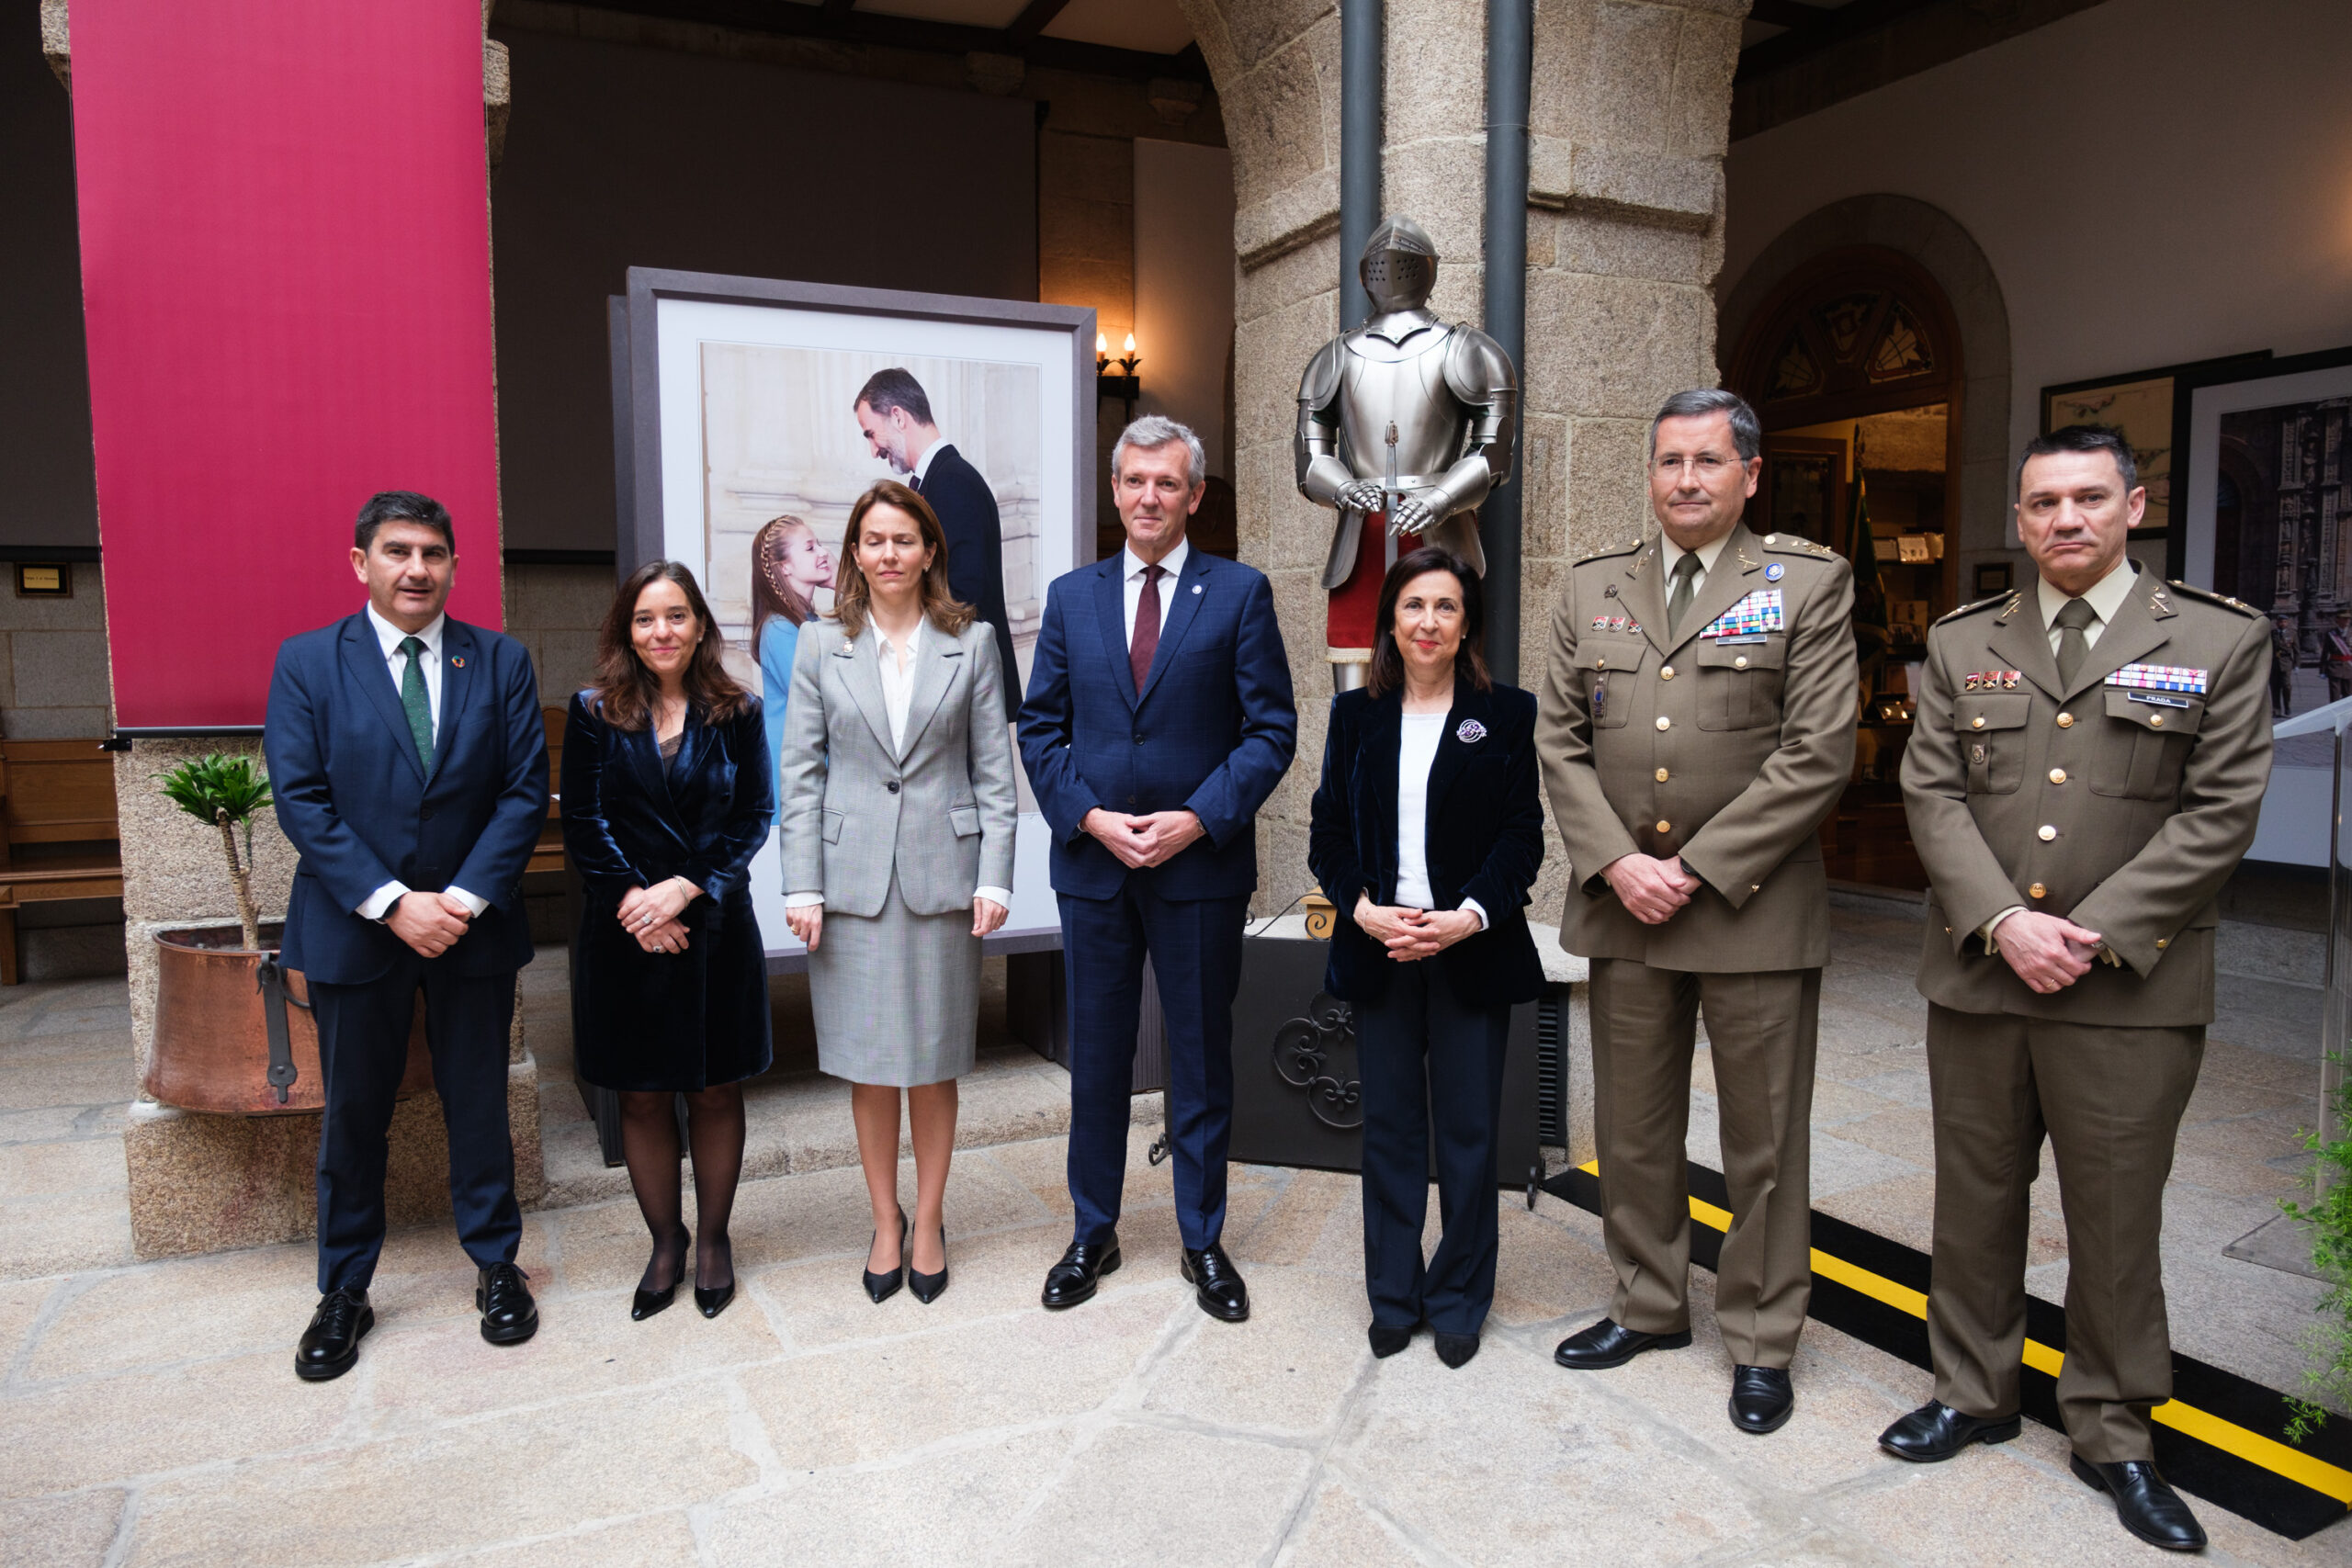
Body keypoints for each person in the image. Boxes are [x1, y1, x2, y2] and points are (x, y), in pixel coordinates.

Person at [1883, 423, 2271, 1553]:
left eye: (2088, 499)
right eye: (2043, 502)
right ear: (2018, 517)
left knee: (2113, 1218)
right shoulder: (1965, 642)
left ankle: (2111, 1431)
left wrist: (2085, 932)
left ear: (2132, 505)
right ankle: (1972, 1389)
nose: (2065, 520)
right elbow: (1933, 795)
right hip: (1981, 971)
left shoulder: (2213, 638)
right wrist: (2005, 921)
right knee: (1975, 1197)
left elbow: (2220, 811)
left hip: (2129, 989)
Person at [1536, 388, 1858, 1436]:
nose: (1685, 480)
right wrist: (1619, 864)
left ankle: (1762, 1340)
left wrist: (1698, 867)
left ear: (1748, 475)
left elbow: (1819, 751)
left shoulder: (1805, 584)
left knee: (1764, 1143)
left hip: (1752, 912)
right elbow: (1559, 741)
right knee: (1633, 1128)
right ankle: (1647, 1302)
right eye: (1668, 461)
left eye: (1707, 462)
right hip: (1626, 905)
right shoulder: (1589, 588)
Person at [264, 491, 550, 1382]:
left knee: (478, 1102)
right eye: (397, 552)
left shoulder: (497, 662)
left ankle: (497, 1266)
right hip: (357, 932)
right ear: (362, 564)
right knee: (354, 1114)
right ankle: (344, 1288)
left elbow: (521, 792)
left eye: (432, 553)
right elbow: (300, 798)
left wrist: (459, 900)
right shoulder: (309, 663)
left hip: (471, 930)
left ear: (453, 566)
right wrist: (393, 902)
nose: (416, 569)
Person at [1017, 415, 1298, 1322]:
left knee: (1199, 1059)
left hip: (1198, 871)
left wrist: (1196, 819)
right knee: (1097, 1060)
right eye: (1135, 481)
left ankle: (1202, 1239)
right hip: (1095, 868)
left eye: (1167, 484)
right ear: (1115, 489)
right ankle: (1091, 1232)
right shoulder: (1072, 597)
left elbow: (1271, 730)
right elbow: (1041, 727)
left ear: (1194, 496)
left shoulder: (1241, 594)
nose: (1149, 497)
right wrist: (1091, 818)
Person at [777, 480, 1017, 1305]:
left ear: (929, 552)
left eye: (904, 540)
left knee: (936, 1061)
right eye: (873, 540)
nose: (888, 554)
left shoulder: (972, 642)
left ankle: (930, 1220)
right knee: (871, 1065)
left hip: (943, 879)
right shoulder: (821, 645)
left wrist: (995, 874)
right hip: (848, 885)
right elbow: (801, 775)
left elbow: (994, 774)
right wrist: (801, 882)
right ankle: (885, 1217)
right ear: (854, 552)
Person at [1307, 547, 1544, 1369]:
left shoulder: (1506, 714)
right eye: (1413, 606)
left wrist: (1467, 915)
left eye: (1446, 606)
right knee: (1393, 1133)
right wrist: (1365, 909)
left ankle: (1458, 1297)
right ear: (1390, 621)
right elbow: (1327, 833)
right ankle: (1394, 1296)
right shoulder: (1355, 717)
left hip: (1468, 947)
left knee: (1472, 1136)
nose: (1429, 622)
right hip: (1381, 944)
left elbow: (1523, 839)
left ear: (1467, 621)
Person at [561, 562, 775, 1322]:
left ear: (700, 626)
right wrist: (636, 902)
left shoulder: (738, 710)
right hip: (624, 936)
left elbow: (755, 814)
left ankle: (713, 1241)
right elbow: (584, 821)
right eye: (647, 618)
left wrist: (685, 888)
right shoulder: (593, 712)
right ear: (628, 629)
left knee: (715, 1088)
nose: (662, 631)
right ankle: (666, 1242)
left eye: (677, 616)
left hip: (713, 927)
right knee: (643, 1095)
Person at [854, 367, 1023, 708]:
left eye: (871, 434)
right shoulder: (936, 481)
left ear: (898, 417)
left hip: (963, 689)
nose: (873, 450)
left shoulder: (953, 483)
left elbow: (963, 595)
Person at [751, 514, 836, 779]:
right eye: (810, 548)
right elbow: (826, 702)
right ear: (784, 567)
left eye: (819, 544)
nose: (825, 553)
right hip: (791, 776)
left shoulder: (810, 622)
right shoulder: (779, 629)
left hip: (811, 765)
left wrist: (840, 583)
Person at [2270, 615, 2298, 718]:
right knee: (2274, 686)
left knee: (2286, 686)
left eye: (2285, 622)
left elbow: (2297, 650)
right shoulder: (2272, 633)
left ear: (2288, 623)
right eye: (2281, 622)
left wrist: (2297, 664)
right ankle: (2276, 709)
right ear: (2277, 623)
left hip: (2286, 662)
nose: (2283, 624)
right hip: (2274, 662)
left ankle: (2287, 706)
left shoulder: (2292, 633)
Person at [2324, 607, 2352, 705]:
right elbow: (2325, 653)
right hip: (2334, 668)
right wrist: (2322, 670)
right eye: (2344, 618)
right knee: (2335, 697)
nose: (2347, 621)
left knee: (2348, 696)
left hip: (2349, 668)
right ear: (2338, 619)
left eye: (2348, 618)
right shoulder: (2331, 634)